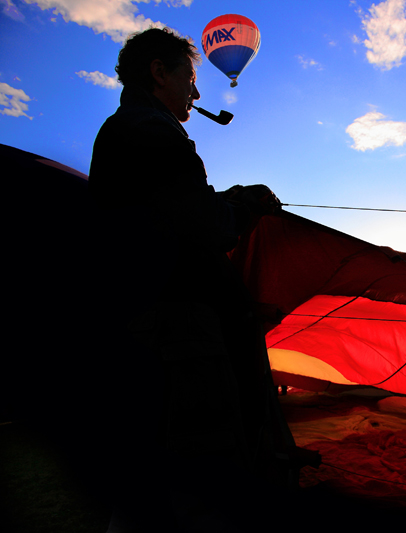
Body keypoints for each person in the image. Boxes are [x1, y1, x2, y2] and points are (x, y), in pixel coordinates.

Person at [87, 27, 289, 531]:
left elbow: (174, 212)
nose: (197, 94)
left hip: (150, 330)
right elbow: (209, 226)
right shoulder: (151, 133)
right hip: (178, 338)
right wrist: (245, 205)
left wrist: (231, 198)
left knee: (152, 478)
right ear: (160, 72)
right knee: (200, 474)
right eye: (191, 78)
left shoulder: (128, 133)